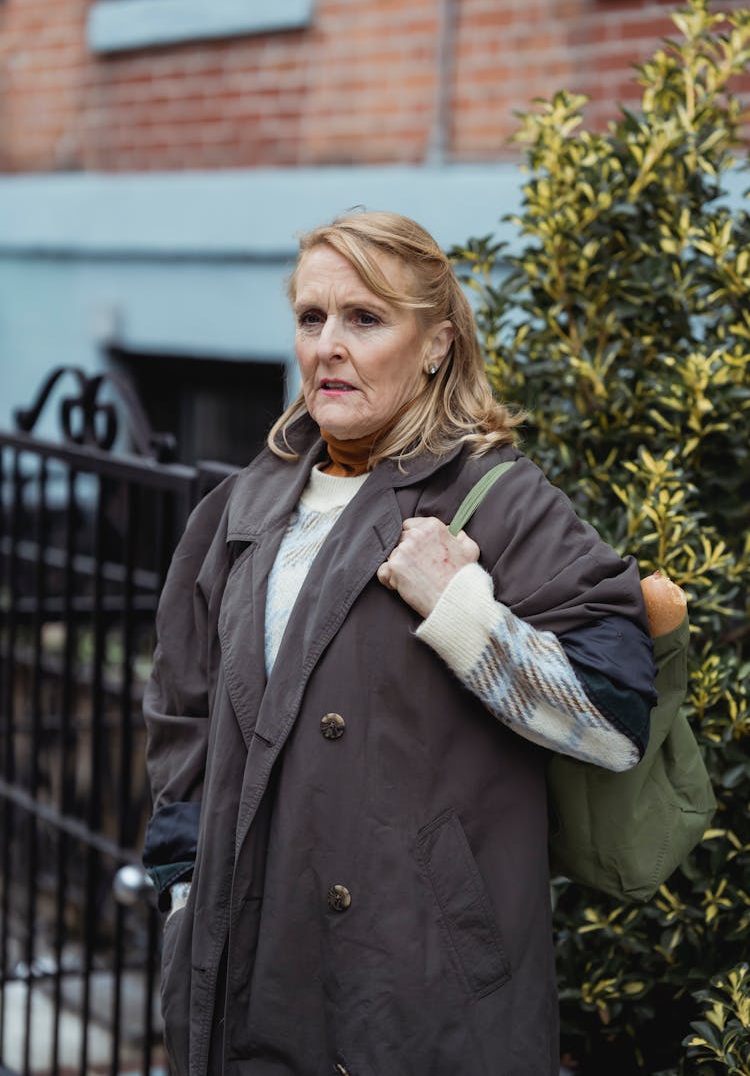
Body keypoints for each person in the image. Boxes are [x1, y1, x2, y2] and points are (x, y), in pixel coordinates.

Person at [142, 211, 656, 1076]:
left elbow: (613, 719)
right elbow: (183, 722)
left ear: (436, 345)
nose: (328, 346)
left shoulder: (501, 501)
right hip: (248, 984)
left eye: (365, 318)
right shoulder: (240, 509)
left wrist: (460, 606)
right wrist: (184, 897)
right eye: (312, 318)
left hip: (421, 990)